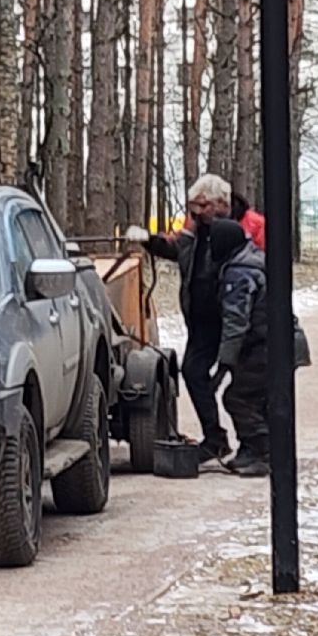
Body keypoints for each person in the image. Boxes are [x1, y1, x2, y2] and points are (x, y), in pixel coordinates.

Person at [128, 173, 234, 460]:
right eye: (193, 206)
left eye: (202, 205)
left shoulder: (233, 232)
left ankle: (259, 448)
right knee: (194, 372)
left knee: (244, 388)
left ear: (220, 203)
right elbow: (178, 250)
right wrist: (149, 241)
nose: (195, 212)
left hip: (234, 322)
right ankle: (215, 438)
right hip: (203, 323)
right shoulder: (197, 230)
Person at [209, 218, 269, 477]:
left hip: (264, 345)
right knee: (260, 399)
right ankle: (257, 449)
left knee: (237, 398)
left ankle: (260, 451)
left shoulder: (239, 272)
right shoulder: (253, 258)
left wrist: (225, 363)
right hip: (276, 342)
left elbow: (236, 322)